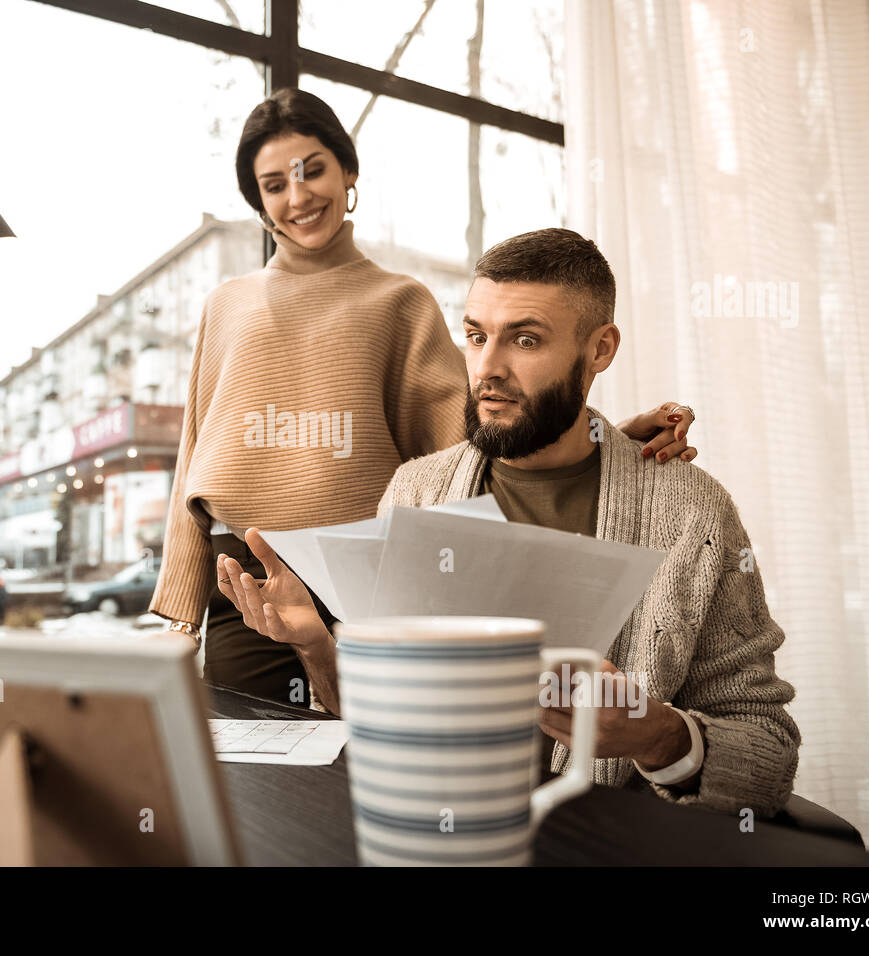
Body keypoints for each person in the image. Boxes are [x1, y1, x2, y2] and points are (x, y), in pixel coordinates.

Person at [215, 227, 802, 817]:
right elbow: (375, 727)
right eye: (475, 336)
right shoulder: (416, 492)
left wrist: (659, 737)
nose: (487, 369)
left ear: (599, 350)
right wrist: (316, 646)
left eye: (525, 339)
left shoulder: (693, 515)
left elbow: (769, 758)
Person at [150, 88, 697, 707]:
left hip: (366, 579)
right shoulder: (226, 304)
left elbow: (472, 449)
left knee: (363, 769)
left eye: (313, 170)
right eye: (274, 184)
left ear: (347, 171)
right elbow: (194, 450)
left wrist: (602, 442)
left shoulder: (399, 301)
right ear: (259, 202)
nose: (298, 196)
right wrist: (180, 607)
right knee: (250, 782)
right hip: (244, 587)